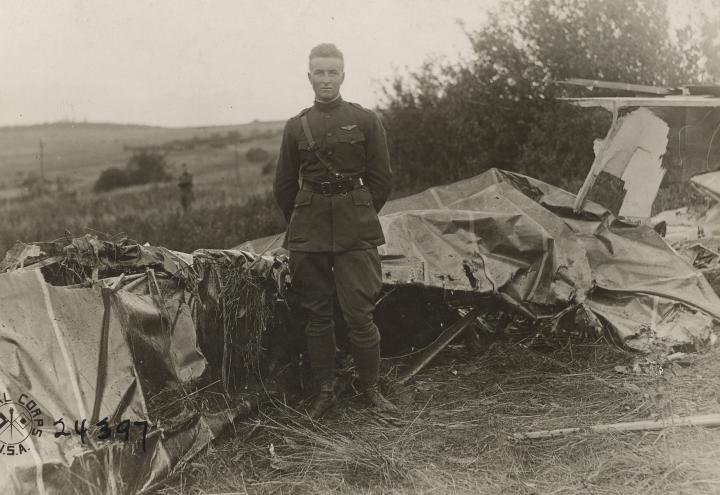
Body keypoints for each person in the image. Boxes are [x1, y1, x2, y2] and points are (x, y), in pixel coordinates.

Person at [273, 43, 396, 418]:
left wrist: (358, 213)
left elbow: (381, 179)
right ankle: (325, 392)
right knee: (317, 315)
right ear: (309, 77)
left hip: (354, 229)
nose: (326, 80)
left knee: (359, 313)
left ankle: (372, 391)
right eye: (319, 73)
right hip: (309, 231)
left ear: (343, 75)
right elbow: (283, 186)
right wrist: (303, 221)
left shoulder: (365, 120)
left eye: (332, 72)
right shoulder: (296, 126)